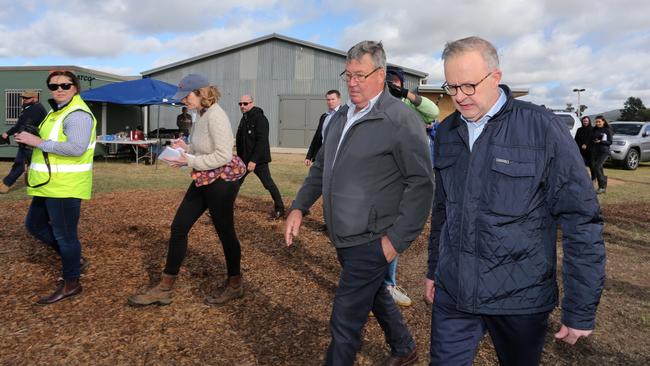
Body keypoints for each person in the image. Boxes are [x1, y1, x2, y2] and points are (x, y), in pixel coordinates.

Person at [425, 36, 605, 365]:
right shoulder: (448, 131)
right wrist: (435, 270)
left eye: (468, 85)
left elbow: (581, 220)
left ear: (495, 76)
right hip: (455, 295)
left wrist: (579, 308)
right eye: (451, 87)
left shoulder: (542, 129)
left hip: (520, 299)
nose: (459, 96)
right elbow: (443, 211)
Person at [285, 40, 433, 366]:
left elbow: (421, 184)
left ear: (380, 75)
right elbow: (322, 167)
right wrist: (299, 207)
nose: (352, 82)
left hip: (372, 238)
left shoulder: (399, 120)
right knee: (376, 293)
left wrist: (394, 242)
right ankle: (405, 347)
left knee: (345, 319)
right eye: (348, 75)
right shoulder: (340, 117)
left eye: (360, 75)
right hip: (343, 236)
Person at [128, 74, 244, 306]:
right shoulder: (201, 114)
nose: (183, 101)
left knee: (225, 232)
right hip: (204, 177)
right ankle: (165, 287)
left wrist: (188, 161)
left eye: (186, 96)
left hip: (220, 182)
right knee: (179, 227)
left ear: (201, 93)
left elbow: (223, 155)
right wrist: (186, 147)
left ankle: (235, 284)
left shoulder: (217, 116)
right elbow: (203, 146)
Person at [15, 70, 97, 304]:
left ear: (75, 87)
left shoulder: (78, 114)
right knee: (34, 225)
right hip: (48, 184)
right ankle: (75, 259)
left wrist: (37, 142)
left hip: (64, 186)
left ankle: (71, 282)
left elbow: (76, 148)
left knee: (65, 236)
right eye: (53, 86)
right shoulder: (57, 111)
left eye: (64, 85)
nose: (59, 89)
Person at [383, 65, 440, 308]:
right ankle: (381, 286)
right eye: (387, 81)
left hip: (404, 180)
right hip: (380, 177)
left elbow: (433, 111)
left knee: (393, 230)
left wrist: (404, 94)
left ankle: (387, 284)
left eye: (394, 82)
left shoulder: (409, 105)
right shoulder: (375, 105)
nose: (390, 85)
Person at [236, 94, 285, 219]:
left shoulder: (260, 119)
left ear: (252, 103)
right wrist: (239, 158)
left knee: (268, 184)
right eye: (240, 104)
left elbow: (262, 141)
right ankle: (223, 208)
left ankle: (280, 209)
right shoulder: (244, 118)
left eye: (245, 103)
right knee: (234, 183)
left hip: (258, 161)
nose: (242, 106)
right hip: (244, 160)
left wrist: (254, 160)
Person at [0, 90, 47, 194]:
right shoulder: (29, 108)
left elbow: (27, 125)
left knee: (20, 164)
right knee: (20, 163)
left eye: (28, 98)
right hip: (27, 141)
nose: (25, 100)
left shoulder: (36, 109)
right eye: (24, 98)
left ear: (35, 98)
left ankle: (6, 184)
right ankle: (5, 183)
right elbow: (20, 124)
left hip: (32, 142)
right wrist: (8, 133)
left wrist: (18, 133)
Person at [305, 90, 342, 167]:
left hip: (337, 155)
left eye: (333, 99)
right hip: (322, 154)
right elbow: (317, 137)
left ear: (339, 100)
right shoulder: (324, 116)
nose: (330, 102)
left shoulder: (344, 116)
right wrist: (309, 156)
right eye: (328, 100)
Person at [589, 115, 612, 194]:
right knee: (599, 168)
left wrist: (601, 141)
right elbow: (591, 138)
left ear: (603, 121)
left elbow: (610, 142)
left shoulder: (607, 130)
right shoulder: (594, 129)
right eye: (596, 122)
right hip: (596, 151)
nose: (597, 123)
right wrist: (594, 140)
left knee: (597, 167)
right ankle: (602, 187)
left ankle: (602, 186)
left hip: (604, 152)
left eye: (599, 121)